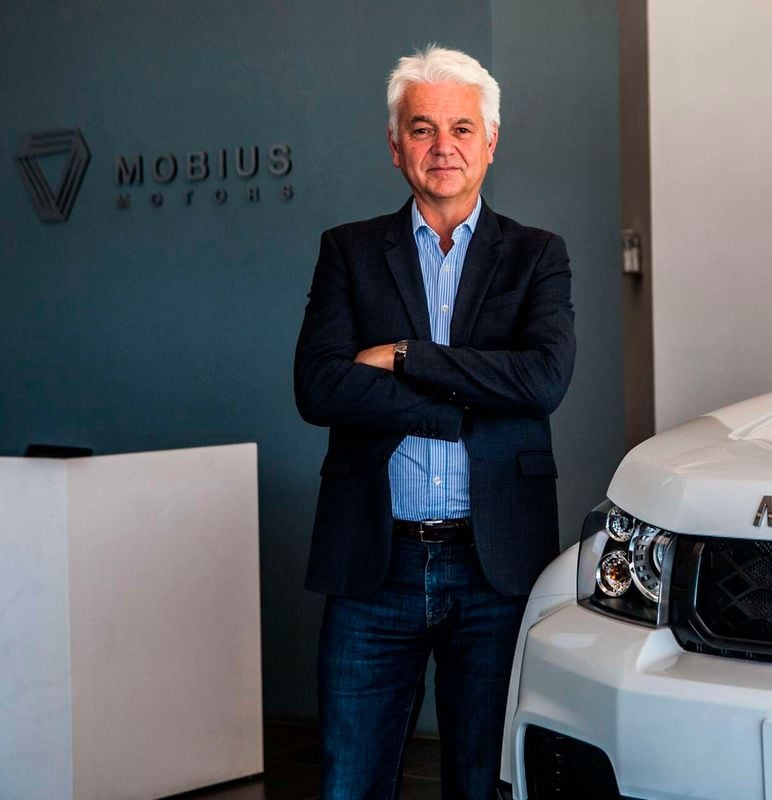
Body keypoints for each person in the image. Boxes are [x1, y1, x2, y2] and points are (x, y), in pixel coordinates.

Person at [294, 45, 575, 799]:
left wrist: (405, 356)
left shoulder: (537, 256)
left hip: (495, 564)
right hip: (373, 561)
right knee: (351, 782)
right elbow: (319, 386)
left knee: (484, 783)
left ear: (491, 141)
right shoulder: (348, 252)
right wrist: (460, 409)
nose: (441, 146)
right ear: (396, 146)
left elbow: (543, 380)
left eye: (461, 127)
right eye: (422, 129)